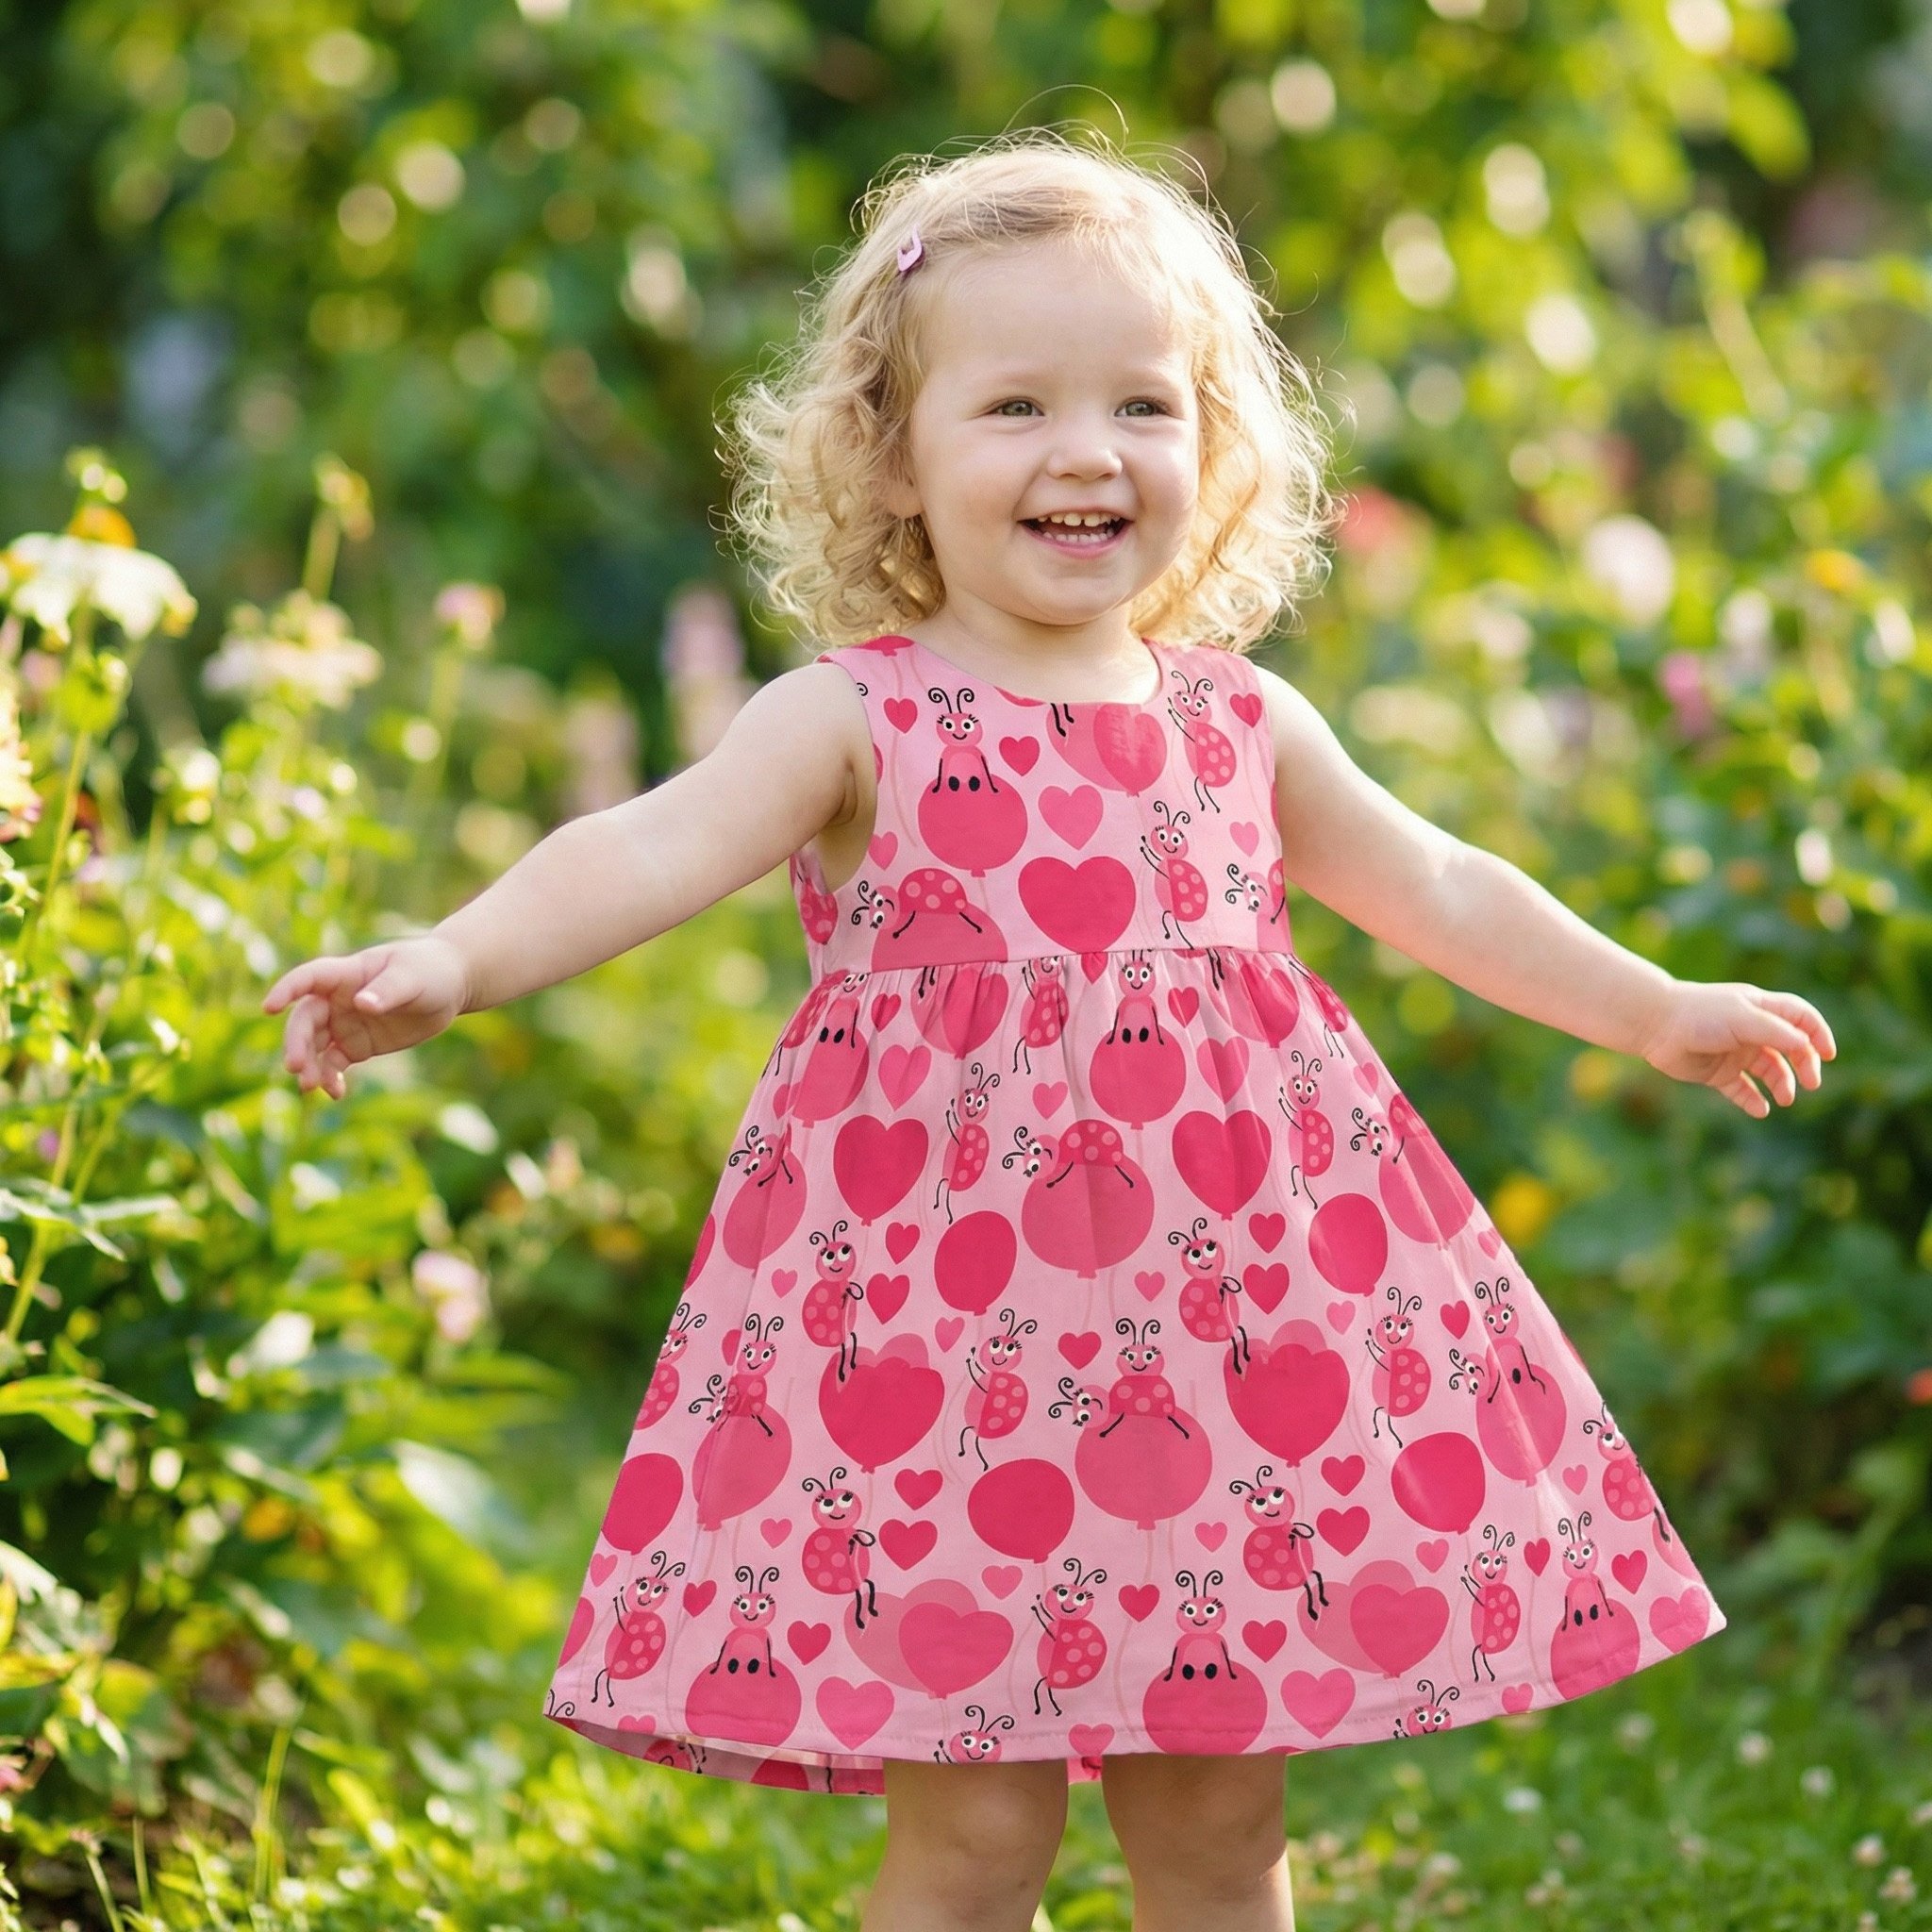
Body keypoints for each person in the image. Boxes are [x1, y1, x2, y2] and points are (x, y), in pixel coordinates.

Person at [262, 128, 1836, 1932]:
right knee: (975, 1839)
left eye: (1143, 408)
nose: (1087, 452)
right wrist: (455, 960)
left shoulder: (1241, 725)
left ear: (1213, 447)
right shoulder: (853, 715)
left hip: (1225, 1352)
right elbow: (647, 842)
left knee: (1222, 1824)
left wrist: (1658, 1010)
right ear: (894, 458)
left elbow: (1449, 887)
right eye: (1014, 407)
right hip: (950, 1377)